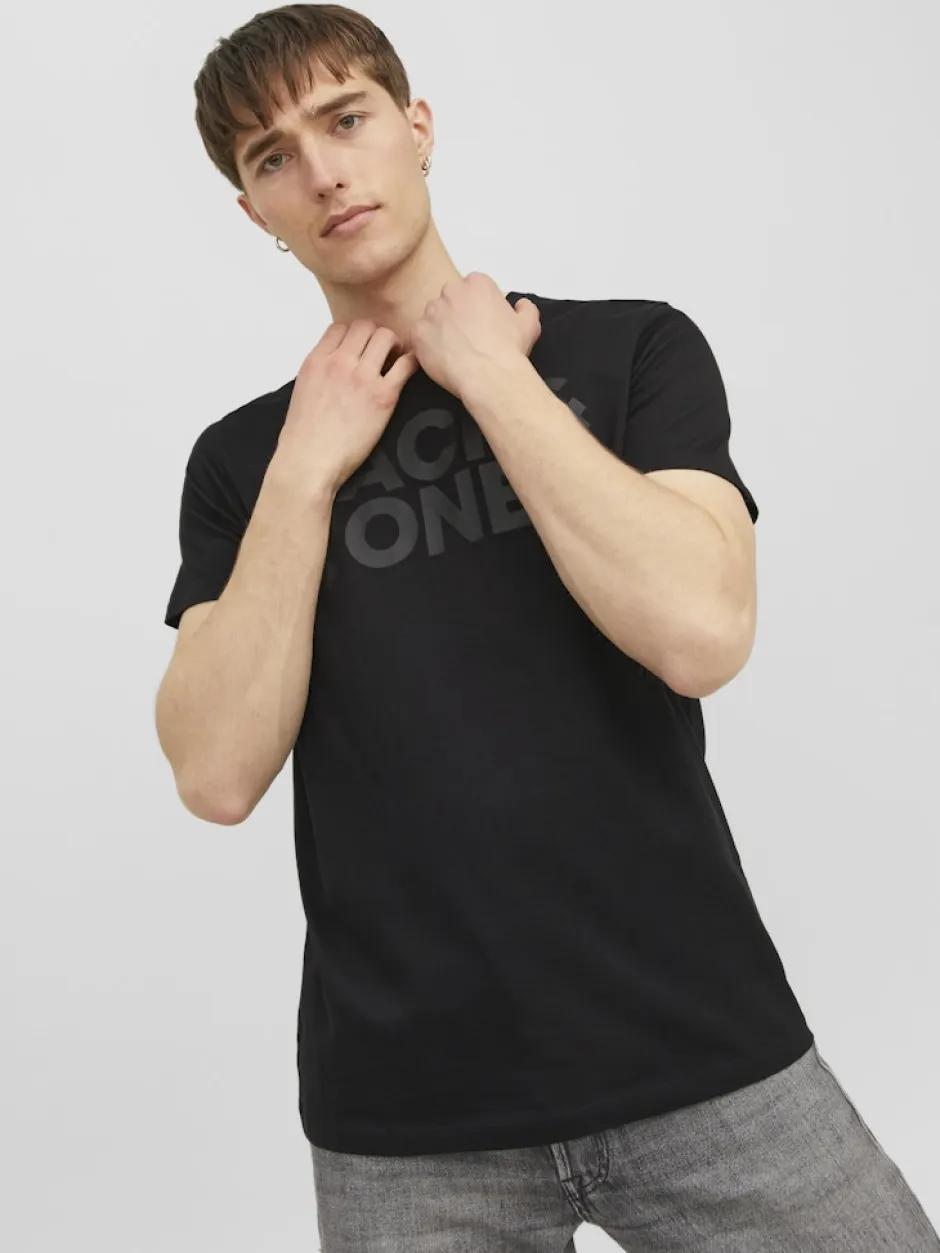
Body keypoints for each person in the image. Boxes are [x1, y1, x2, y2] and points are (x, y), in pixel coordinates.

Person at [155, 5, 940, 1249]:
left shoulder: (628, 349)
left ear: (417, 126)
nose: (323, 171)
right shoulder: (245, 460)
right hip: (409, 1121)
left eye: (346, 119)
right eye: (273, 157)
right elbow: (214, 771)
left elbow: (700, 634)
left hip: (702, 1053)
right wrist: (306, 467)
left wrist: (491, 374)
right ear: (256, 213)